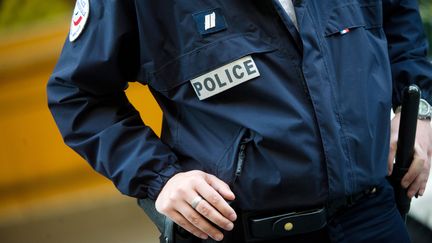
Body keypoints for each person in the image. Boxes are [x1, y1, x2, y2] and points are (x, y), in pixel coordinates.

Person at [47, 0, 432, 242]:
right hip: (239, 230)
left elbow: (400, 23)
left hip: (373, 216)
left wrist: (418, 111)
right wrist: (159, 177)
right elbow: (78, 95)